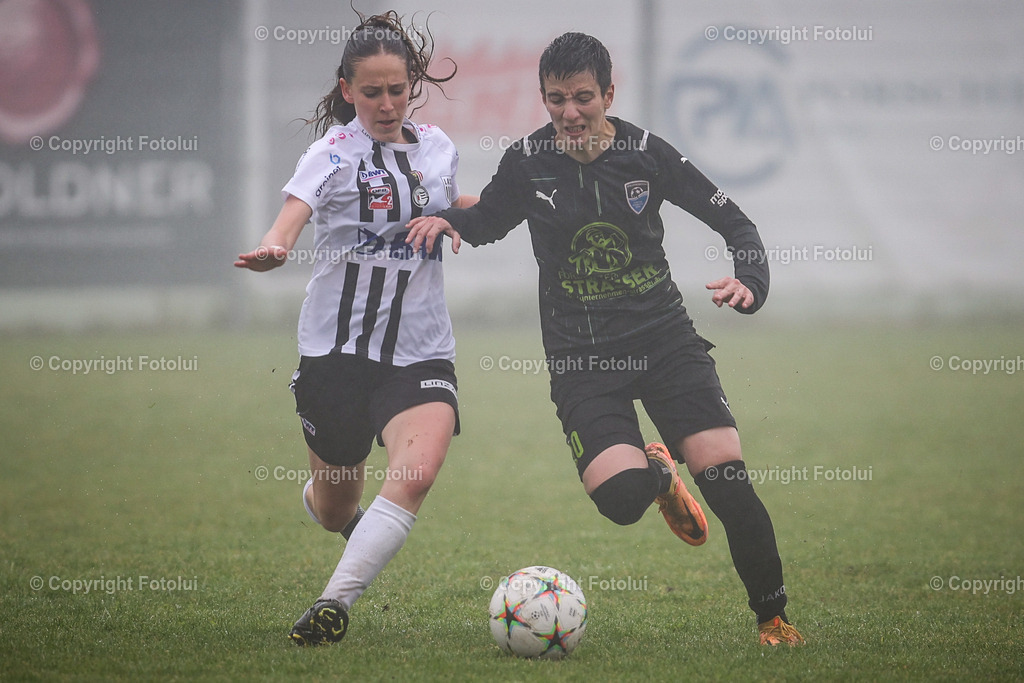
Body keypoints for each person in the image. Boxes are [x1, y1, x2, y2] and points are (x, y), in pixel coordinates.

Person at [406, 31, 804, 646]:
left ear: (609, 93)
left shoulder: (649, 154)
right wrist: (447, 220)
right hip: (581, 358)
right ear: (543, 98)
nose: (570, 113)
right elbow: (486, 219)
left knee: (728, 483)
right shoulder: (528, 161)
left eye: (583, 98)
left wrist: (751, 281)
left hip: (667, 343)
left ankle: (773, 619)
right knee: (620, 499)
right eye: (556, 99)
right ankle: (661, 480)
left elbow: (735, 220)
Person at [235, 10, 475, 646]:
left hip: (420, 352)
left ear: (412, 84)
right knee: (336, 508)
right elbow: (291, 218)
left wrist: (508, 206)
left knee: (416, 474)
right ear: (347, 90)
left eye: (397, 89)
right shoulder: (332, 153)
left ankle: (332, 605)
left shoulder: (438, 148)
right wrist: (274, 248)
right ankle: (323, 501)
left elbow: (457, 204)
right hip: (335, 355)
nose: (387, 103)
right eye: (372, 91)